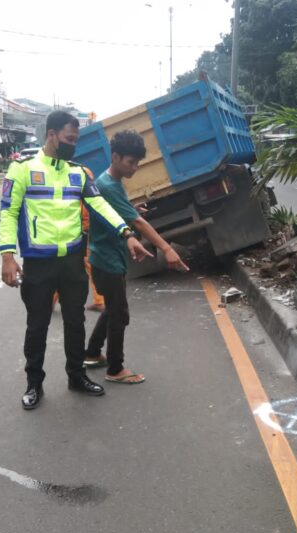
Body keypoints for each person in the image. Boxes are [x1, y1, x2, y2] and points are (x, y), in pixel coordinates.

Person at [0, 111, 153, 410]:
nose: (73, 145)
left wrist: (126, 232)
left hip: (72, 262)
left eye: (76, 140)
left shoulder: (78, 173)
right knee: (37, 326)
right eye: (69, 139)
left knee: (76, 322)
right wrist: (7, 256)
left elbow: (100, 206)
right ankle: (34, 384)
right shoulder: (22, 170)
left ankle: (76, 376)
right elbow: (8, 213)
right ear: (52, 134)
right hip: (38, 262)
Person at [84, 130, 189, 385]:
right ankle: (115, 369)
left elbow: (124, 212)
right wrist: (167, 248)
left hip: (105, 257)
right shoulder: (108, 185)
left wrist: (131, 209)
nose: (134, 168)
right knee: (119, 313)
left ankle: (92, 353)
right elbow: (138, 224)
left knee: (112, 307)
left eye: (137, 163)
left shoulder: (110, 181)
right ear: (116, 157)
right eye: (131, 163)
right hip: (107, 260)